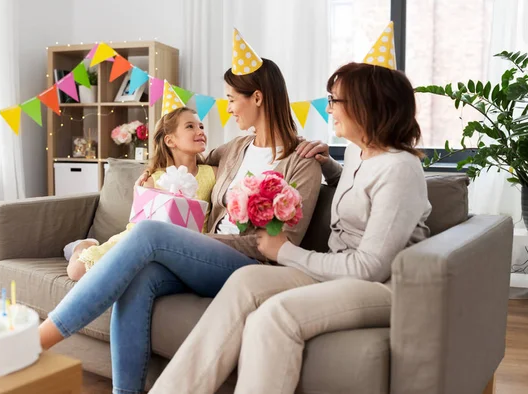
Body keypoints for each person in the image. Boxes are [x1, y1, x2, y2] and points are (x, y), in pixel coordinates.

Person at [38, 57, 325, 394]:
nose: (229, 108)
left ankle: (38, 340)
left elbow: (285, 241)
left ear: (258, 98)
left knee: (151, 233)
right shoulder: (236, 148)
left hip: (251, 266)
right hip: (205, 256)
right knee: (139, 277)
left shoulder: (301, 163)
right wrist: (149, 180)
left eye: (232, 98)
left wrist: (196, 239)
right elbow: (185, 157)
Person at [149, 61, 433, 394]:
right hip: (339, 269)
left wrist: (285, 251)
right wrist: (329, 166)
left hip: (383, 285)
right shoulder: (360, 152)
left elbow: (369, 266)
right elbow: (359, 195)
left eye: (334, 100)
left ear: (366, 104)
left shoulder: (401, 169)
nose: (328, 108)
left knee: (274, 316)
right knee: (245, 280)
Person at [62, 107, 216, 281]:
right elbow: (139, 224)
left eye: (201, 126)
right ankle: (84, 245)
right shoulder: (153, 179)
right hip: (139, 241)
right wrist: (141, 193)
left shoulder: (213, 173)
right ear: (170, 140)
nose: (200, 131)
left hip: (186, 248)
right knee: (76, 271)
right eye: (190, 126)